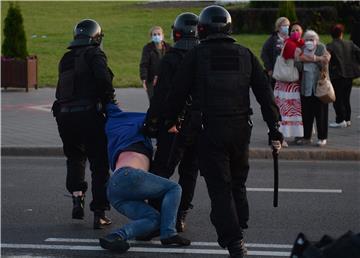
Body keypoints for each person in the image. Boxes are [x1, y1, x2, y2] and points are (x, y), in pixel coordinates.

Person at [161, 5, 283, 258]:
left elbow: (176, 93)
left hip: (209, 129)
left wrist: (168, 121)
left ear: (202, 28)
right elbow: (265, 95)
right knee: (237, 181)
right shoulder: (245, 54)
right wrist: (274, 130)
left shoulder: (196, 54)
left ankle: (234, 240)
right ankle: (240, 220)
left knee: (220, 187)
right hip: (241, 129)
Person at [98, 103, 191, 253]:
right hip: (129, 175)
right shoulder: (137, 123)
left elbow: (110, 108)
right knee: (174, 188)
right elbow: (156, 120)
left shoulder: (112, 126)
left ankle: (115, 236)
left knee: (153, 219)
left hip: (115, 190)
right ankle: (169, 233)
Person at [52, 19, 114, 229]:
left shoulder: (66, 58)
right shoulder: (95, 54)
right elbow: (104, 80)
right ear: (96, 37)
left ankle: (77, 197)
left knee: (75, 157)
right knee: (99, 163)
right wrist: (110, 102)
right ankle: (99, 212)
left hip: (65, 116)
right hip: (89, 115)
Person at [143, 12, 200, 233]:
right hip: (198, 124)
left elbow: (160, 95)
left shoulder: (171, 58)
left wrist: (151, 122)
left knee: (162, 170)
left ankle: (155, 216)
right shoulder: (204, 56)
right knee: (190, 171)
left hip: (172, 124)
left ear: (176, 33)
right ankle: (181, 215)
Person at [297, 30, 331, 147]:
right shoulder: (301, 48)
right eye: (307, 39)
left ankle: (322, 137)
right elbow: (298, 66)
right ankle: (307, 137)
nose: (309, 42)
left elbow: (324, 64)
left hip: (319, 87)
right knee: (306, 114)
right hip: (306, 87)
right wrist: (302, 59)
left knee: (321, 114)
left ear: (317, 40)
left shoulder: (321, 47)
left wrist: (314, 59)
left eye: (312, 39)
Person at [273, 22, 305, 147]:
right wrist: (318, 58)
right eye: (292, 30)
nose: (294, 32)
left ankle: (296, 135)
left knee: (295, 112)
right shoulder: (290, 44)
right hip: (286, 85)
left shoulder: (299, 43)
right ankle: (281, 136)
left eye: (297, 30)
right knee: (286, 112)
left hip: (293, 85)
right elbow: (302, 57)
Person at [326, 24, 360, 128]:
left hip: (337, 75)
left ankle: (340, 120)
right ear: (341, 33)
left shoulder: (330, 46)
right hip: (349, 75)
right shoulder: (350, 43)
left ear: (331, 34)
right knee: (346, 98)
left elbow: (327, 59)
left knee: (337, 99)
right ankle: (347, 119)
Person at [139, 26, 171, 101]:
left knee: (165, 101)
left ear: (163, 35)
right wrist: (144, 78)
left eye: (159, 34)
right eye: (154, 34)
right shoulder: (147, 48)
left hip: (165, 79)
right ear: (151, 36)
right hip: (151, 81)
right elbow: (144, 64)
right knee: (154, 101)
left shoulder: (168, 48)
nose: (157, 36)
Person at [261, 16, 290, 89]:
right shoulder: (272, 39)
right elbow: (264, 53)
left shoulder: (290, 39)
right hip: (275, 72)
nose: (286, 27)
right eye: (284, 25)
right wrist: (269, 69)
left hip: (288, 71)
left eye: (287, 26)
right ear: (278, 27)